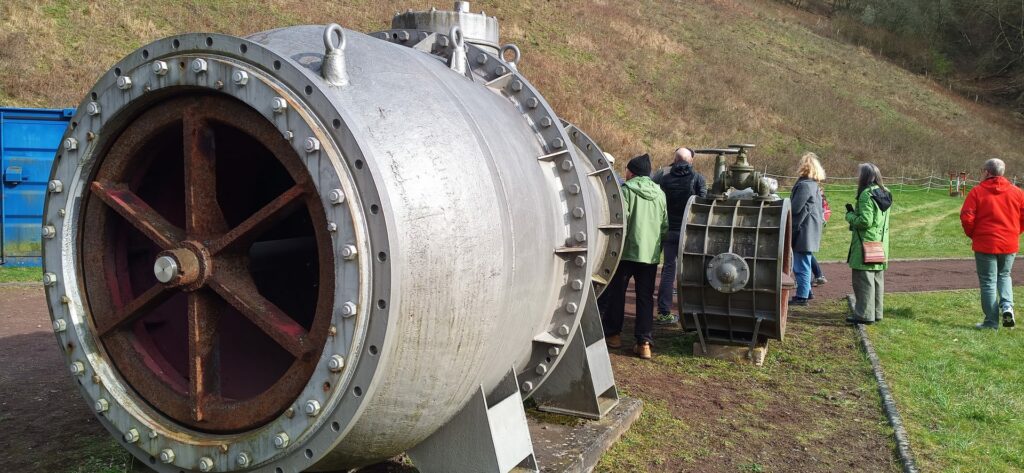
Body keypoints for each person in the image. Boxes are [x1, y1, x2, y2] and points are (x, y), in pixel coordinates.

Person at [601, 154, 668, 360]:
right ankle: (644, 342)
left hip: (626, 252)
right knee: (645, 298)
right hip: (650, 255)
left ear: (632, 172)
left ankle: (613, 335)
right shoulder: (660, 194)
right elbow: (664, 225)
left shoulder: (626, 191)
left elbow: (622, 220)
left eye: (627, 170)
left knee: (617, 294)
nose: (625, 173)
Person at [960, 158, 1024, 329]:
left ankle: (991, 322)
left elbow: (967, 216)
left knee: (988, 281)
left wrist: (974, 234)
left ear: (987, 172)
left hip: (985, 243)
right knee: (1004, 276)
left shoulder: (977, 191)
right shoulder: (1017, 192)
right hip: (1009, 243)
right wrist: (1014, 232)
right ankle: (1007, 306)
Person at [655, 147, 707, 324]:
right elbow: (703, 205)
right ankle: (694, 313)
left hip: (669, 230)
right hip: (690, 232)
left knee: (668, 270)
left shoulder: (664, 178)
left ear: (675, 160)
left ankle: (664, 311)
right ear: (690, 160)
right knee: (693, 271)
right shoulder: (698, 178)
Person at [845, 163, 892, 324]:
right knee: (877, 279)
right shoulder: (885, 192)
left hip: (865, 244)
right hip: (880, 244)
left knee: (863, 280)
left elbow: (865, 221)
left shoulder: (866, 194)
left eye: (859, 174)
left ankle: (864, 314)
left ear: (865, 176)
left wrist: (850, 216)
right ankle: (877, 312)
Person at [789, 152, 826, 306]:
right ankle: (807, 291)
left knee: (801, 264)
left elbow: (795, 208)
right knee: (805, 261)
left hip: (803, 230)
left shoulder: (805, 185)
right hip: (809, 229)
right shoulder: (813, 185)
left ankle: (802, 296)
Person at [811, 187, 832, 287]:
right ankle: (818, 275)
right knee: (806, 253)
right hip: (814, 226)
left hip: (812, 226)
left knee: (805, 253)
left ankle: (818, 275)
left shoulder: (819, 198)